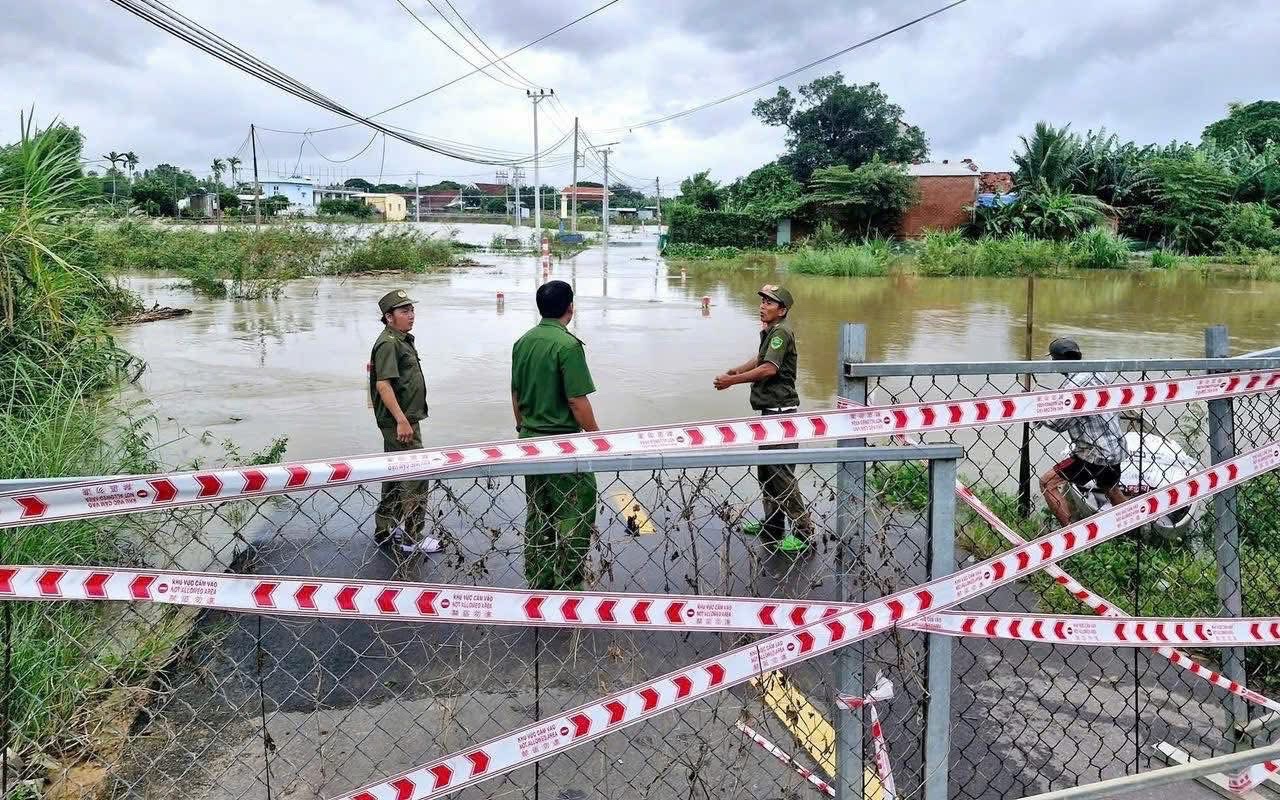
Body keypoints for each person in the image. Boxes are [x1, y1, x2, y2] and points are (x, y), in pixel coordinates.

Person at [511, 280, 600, 590]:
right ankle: (568, 582)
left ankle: (539, 578)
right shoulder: (567, 346)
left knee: (539, 511)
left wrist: (524, 428)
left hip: (530, 441)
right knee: (578, 508)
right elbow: (577, 401)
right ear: (570, 308)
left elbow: (515, 392)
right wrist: (599, 439)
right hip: (563, 444)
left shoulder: (523, 342)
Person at [713, 284, 813, 555]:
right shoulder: (771, 332)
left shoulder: (781, 332)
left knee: (781, 475)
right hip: (770, 414)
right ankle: (773, 525)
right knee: (767, 473)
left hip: (781, 414)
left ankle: (804, 533)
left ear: (782, 310)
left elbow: (769, 368)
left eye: (770, 303)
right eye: (762, 301)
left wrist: (733, 380)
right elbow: (760, 358)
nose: (763, 306)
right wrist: (738, 369)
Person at [369, 289, 442, 556]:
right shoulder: (389, 343)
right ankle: (413, 536)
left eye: (411, 310)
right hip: (400, 422)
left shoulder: (400, 340)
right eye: (404, 311)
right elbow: (383, 384)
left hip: (403, 420)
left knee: (396, 475)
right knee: (415, 477)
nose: (411, 315)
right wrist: (401, 420)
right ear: (389, 317)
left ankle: (385, 528)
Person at [1038, 337, 1130, 526]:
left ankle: (1071, 533)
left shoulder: (1074, 386)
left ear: (1058, 361)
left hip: (1093, 453)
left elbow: (1059, 424)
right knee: (1111, 489)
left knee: (1048, 483)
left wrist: (1037, 413)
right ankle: (1132, 528)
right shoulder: (1096, 371)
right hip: (1115, 448)